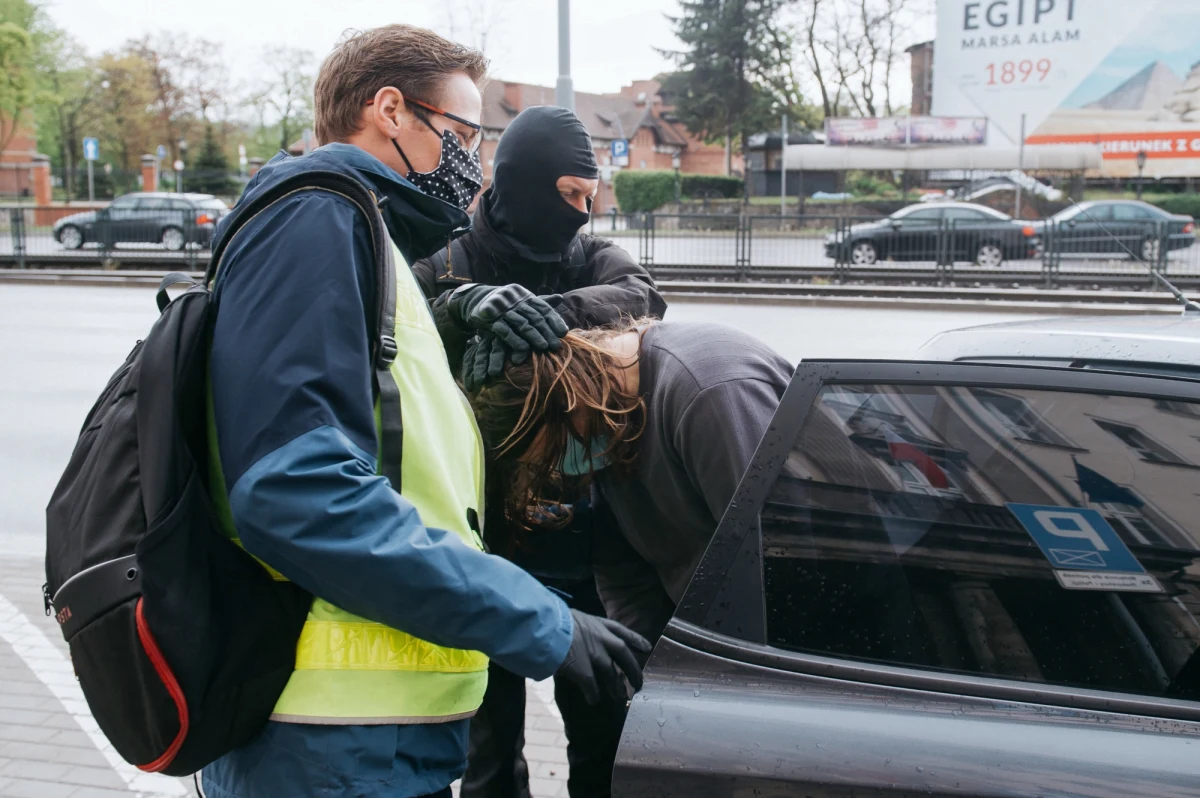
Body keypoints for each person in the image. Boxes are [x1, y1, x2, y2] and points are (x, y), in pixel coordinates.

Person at [201, 25, 648, 798]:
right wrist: (541, 621)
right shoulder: (317, 219)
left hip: (371, 735)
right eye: (462, 135)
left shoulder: (366, 236)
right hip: (329, 741)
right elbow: (296, 493)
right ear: (390, 111)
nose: (472, 165)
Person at [413, 106, 666, 798]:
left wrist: (553, 314)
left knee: (604, 745)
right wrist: (460, 308)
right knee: (489, 761)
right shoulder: (448, 260)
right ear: (525, 184)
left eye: (591, 198)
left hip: (589, 547)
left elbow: (644, 294)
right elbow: (392, 334)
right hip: (488, 547)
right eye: (570, 196)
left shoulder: (590, 258)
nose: (583, 214)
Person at [468, 320, 793, 646]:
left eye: (557, 449)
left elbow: (777, 563)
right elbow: (624, 569)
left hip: (785, 644)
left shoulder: (709, 391)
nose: (562, 469)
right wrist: (637, 669)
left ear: (569, 395)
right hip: (717, 639)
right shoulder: (606, 414)